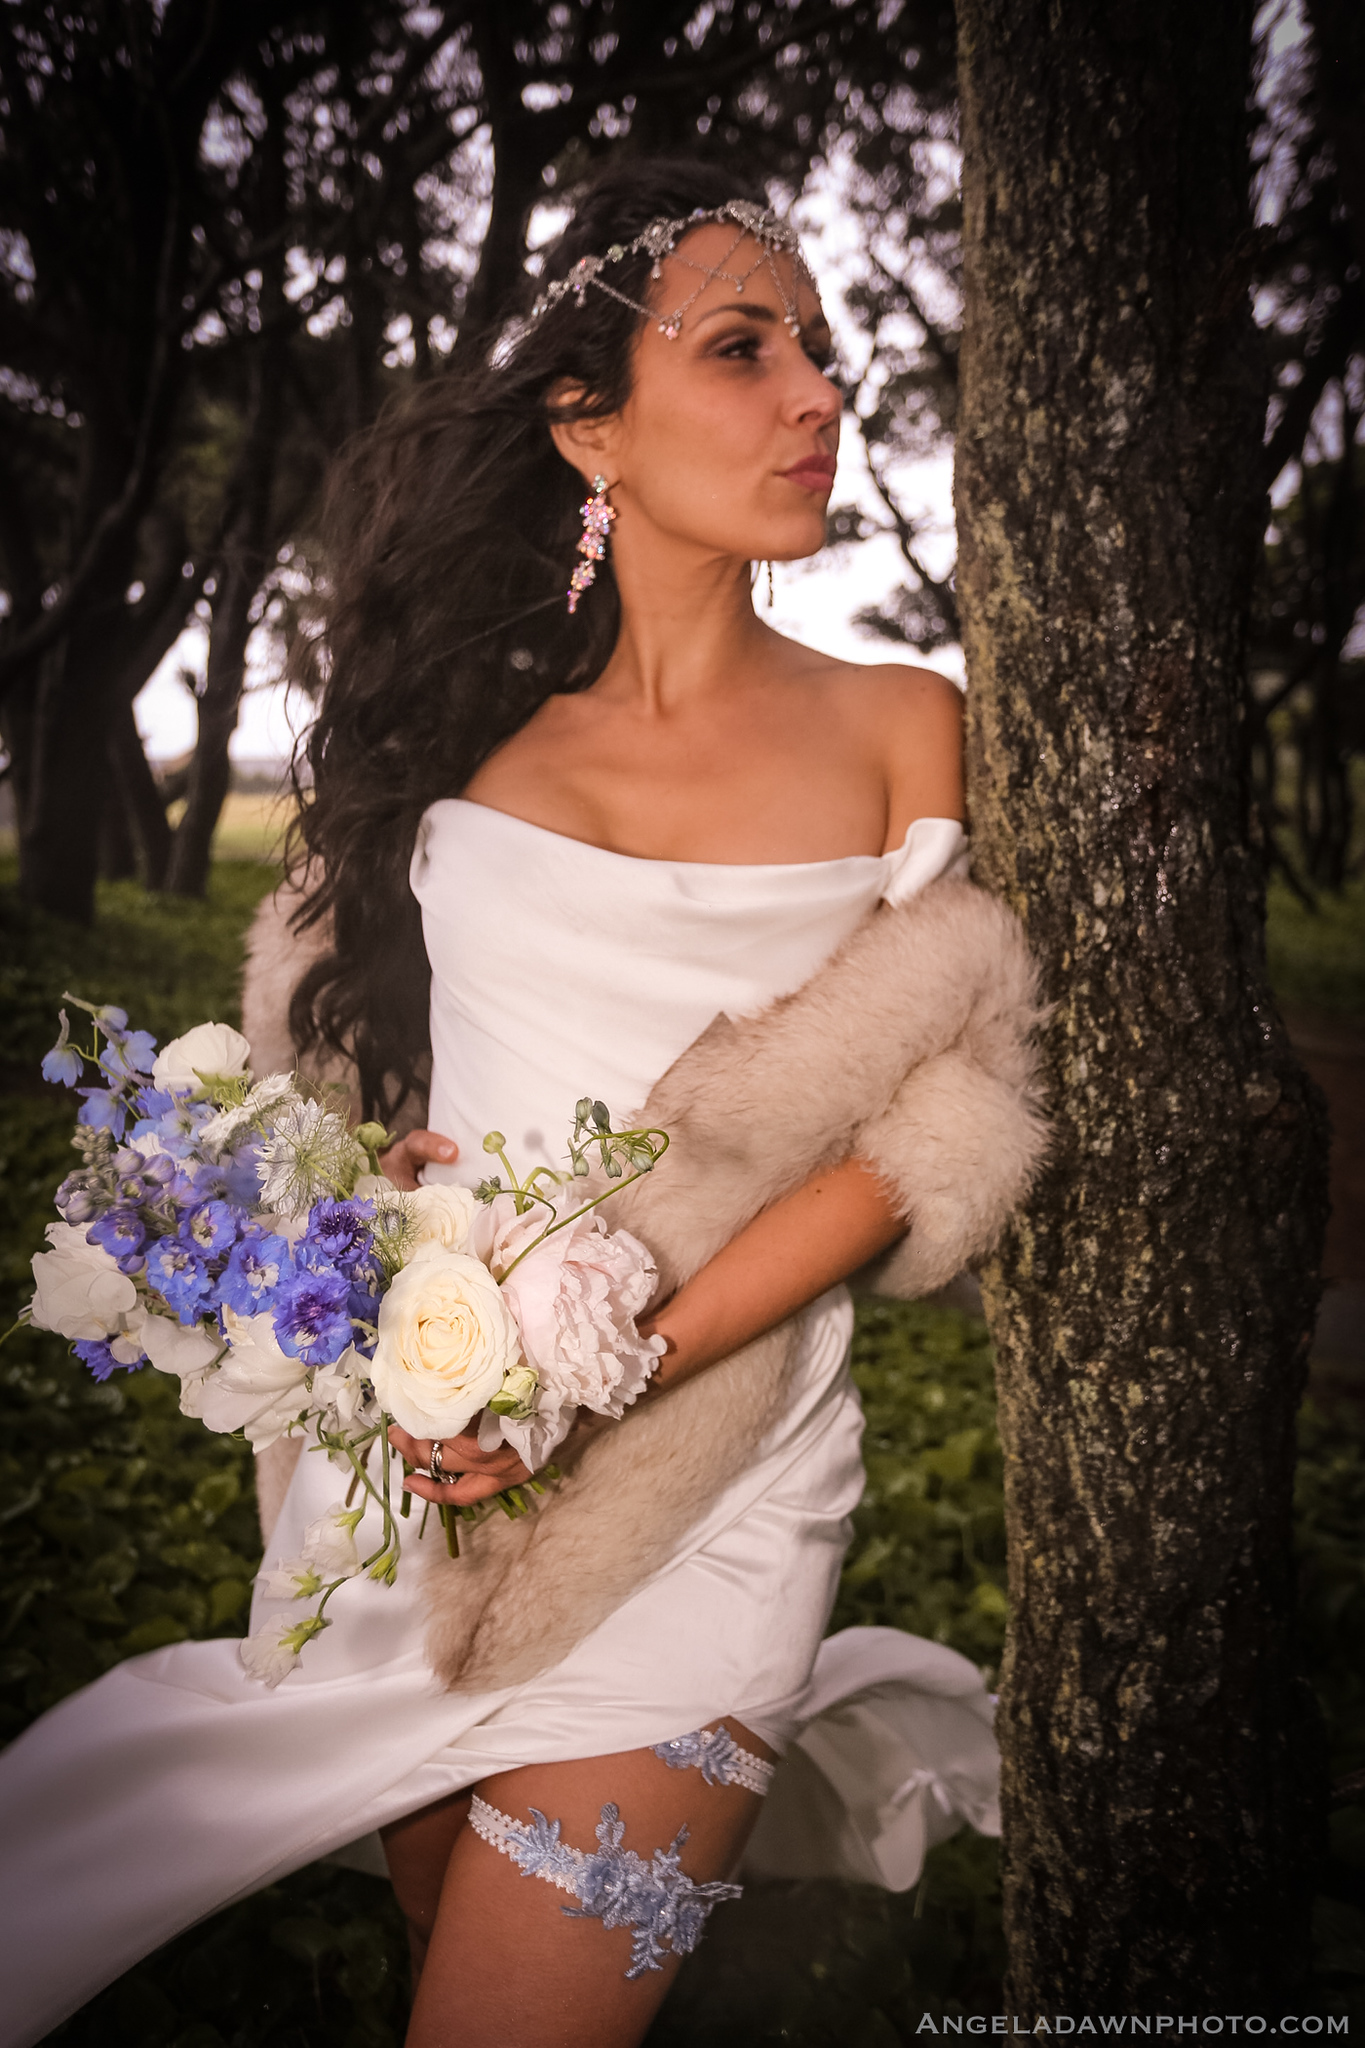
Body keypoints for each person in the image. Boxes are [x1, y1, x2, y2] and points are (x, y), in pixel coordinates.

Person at [0, 160, 1032, 2048]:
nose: (816, 392)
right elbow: (386, 1039)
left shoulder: (906, 722)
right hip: (409, 1470)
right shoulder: (454, 731)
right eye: (742, 348)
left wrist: (611, 1363)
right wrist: (366, 1188)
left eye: (820, 350)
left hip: (700, 1480)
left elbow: (928, 1121)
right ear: (587, 425)